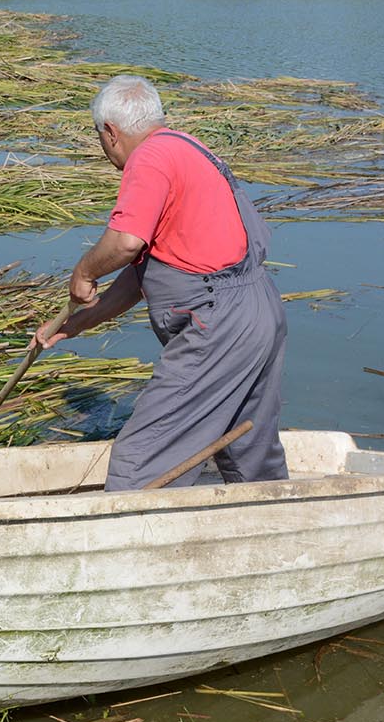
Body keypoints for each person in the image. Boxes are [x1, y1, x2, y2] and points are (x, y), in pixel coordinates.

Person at [34, 75, 288, 490]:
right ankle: (279, 531)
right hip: (259, 311)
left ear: (111, 133)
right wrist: (73, 324)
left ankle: (131, 546)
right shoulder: (189, 147)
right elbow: (143, 274)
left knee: (140, 461)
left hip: (218, 324)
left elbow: (126, 243)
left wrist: (83, 273)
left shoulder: (149, 159)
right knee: (248, 452)